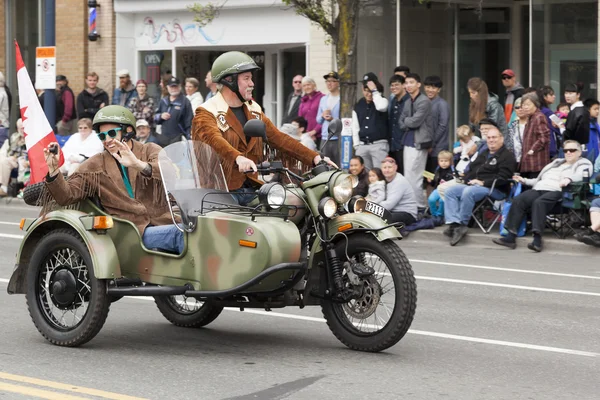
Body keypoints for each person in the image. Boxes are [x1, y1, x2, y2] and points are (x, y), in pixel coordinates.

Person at [191, 51, 333, 204]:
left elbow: (279, 138)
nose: (252, 83)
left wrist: (315, 157)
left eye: (251, 78)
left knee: (293, 210)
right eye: (246, 78)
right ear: (229, 80)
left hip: (251, 188)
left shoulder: (254, 110)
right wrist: (237, 158)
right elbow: (213, 140)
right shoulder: (207, 111)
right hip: (219, 192)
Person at [41, 105, 184, 254]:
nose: (107, 140)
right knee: (181, 234)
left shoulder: (149, 149)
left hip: (163, 221)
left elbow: (170, 173)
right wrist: (53, 169)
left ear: (127, 131)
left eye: (111, 133)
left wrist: (138, 164)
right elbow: (67, 195)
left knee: (201, 230)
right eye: (102, 136)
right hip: (128, 230)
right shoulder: (95, 163)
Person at [494, 140, 592, 252]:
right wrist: (524, 180)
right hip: (540, 188)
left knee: (539, 202)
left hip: (560, 191)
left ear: (579, 152)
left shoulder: (584, 163)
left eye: (572, 150)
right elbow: (540, 179)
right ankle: (510, 237)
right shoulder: (556, 162)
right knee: (519, 199)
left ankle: (537, 240)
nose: (568, 152)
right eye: (565, 150)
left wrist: (569, 179)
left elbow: (582, 175)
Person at [443, 119, 517, 246]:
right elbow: (472, 168)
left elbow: (504, 177)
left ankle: (462, 224)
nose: (491, 140)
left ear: (501, 139)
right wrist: (467, 179)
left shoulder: (507, 156)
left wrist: (484, 182)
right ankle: (453, 224)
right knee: (450, 191)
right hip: (475, 185)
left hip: (495, 189)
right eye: (489, 138)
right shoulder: (484, 153)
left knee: (468, 191)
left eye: (494, 137)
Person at [399, 73, 433, 209]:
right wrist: (408, 121)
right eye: (406, 83)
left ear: (418, 85)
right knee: (408, 177)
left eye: (411, 82)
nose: (408, 85)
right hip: (408, 141)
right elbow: (400, 122)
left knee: (416, 177)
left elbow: (415, 122)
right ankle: (411, 206)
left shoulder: (424, 101)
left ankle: (419, 206)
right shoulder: (408, 101)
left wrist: (407, 121)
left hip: (419, 142)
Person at [352, 72, 389, 170]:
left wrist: (375, 91)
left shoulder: (381, 100)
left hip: (379, 145)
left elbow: (381, 107)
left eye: (370, 91)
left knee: (379, 174)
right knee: (364, 175)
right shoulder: (359, 104)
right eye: (365, 90)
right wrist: (357, 145)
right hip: (362, 145)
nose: (368, 93)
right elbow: (355, 126)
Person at [154, 77, 194, 147]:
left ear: (180, 87)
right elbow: (155, 118)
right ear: (167, 87)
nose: (174, 89)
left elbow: (189, 123)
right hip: (164, 139)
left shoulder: (185, 102)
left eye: (175, 86)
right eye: (171, 87)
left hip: (179, 139)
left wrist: (189, 139)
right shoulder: (163, 101)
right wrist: (161, 116)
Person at [519, 92, 550, 178]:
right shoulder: (531, 117)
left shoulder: (539, 117)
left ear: (535, 104)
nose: (525, 107)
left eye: (528, 104)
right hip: (529, 163)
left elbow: (544, 137)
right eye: (523, 104)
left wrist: (532, 150)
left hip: (536, 163)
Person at [379, 157, 418, 225]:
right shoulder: (384, 180)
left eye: (390, 167)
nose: (387, 170)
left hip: (407, 213)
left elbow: (389, 205)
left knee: (381, 219)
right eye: (384, 168)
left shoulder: (399, 181)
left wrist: (372, 206)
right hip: (393, 211)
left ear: (395, 167)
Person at [316, 71, 341, 163]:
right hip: (325, 137)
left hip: (338, 138)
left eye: (332, 81)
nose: (329, 84)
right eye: (327, 81)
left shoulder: (341, 99)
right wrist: (323, 116)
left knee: (338, 164)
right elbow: (318, 120)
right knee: (325, 163)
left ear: (338, 83)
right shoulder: (324, 99)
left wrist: (333, 119)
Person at [388, 74, 409, 174]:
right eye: (392, 85)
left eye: (397, 85)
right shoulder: (393, 101)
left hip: (405, 144)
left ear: (403, 85)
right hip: (393, 144)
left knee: (406, 172)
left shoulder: (409, 101)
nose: (394, 87)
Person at [558, 82, 590, 148]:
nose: (567, 96)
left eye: (571, 93)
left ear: (578, 95)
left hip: (573, 147)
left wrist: (561, 128)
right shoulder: (584, 109)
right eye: (566, 93)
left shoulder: (575, 111)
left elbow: (568, 134)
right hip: (581, 146)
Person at [0, 118, 26, 196]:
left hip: (24, 159)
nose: (22, 130)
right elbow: (8, 150)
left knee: (22, 161)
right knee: (4, 161)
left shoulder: (30, 138)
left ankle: (23, 188)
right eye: (20, 128)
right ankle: (3, 188)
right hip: (13, 160)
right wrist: (11, 156)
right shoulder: (14, 138)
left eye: (23, 128)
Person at [427, 150, 455, 218]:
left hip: (447, 190)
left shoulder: (453, 171)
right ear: (438, 161)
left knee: (442, 201)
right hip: (438, 189)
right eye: (441, 161)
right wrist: (431, 181)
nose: (443, 163)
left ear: (450, 162)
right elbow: (434, 183)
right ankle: (434, 214)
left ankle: (440, 215)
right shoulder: (437, 170)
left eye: (446, 161)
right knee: (431, 199)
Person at [298, 77, 324, 146]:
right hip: (306, 136)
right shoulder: (303, 101)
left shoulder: (322, 98)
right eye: (304, 85)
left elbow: (324, 117)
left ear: (314, 85)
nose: (307, 87)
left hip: (320, 136)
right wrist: (305, 133)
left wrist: (314, 131)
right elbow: (300, 120)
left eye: (308, 84)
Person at [583, 98, 600, 163]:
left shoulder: (595, 124)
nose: (597, 111)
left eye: (598, 109)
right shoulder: (584, 125)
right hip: (589, 158)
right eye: (595, 109)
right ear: (588, 110)